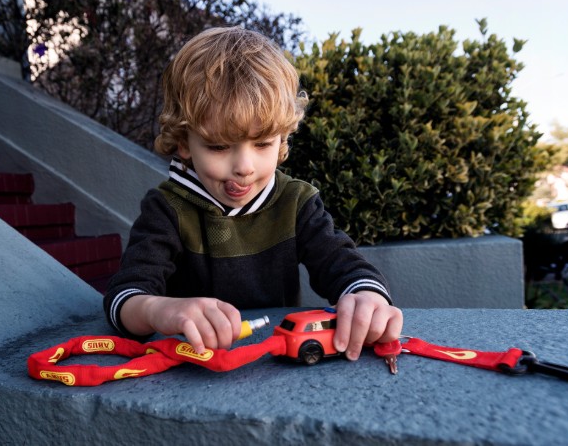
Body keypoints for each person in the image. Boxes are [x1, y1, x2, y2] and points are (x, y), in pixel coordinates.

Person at [103, 26, 402, 361]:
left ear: (283, 139)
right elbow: (124, 297)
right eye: (218, 146)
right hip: (193, 370)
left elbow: (344, 265)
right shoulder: (167, 209)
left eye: (262, 144)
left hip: (279, 366)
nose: (245, 166)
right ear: (185, 143)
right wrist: (159, 309)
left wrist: (366, 296)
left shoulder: (296, 203)